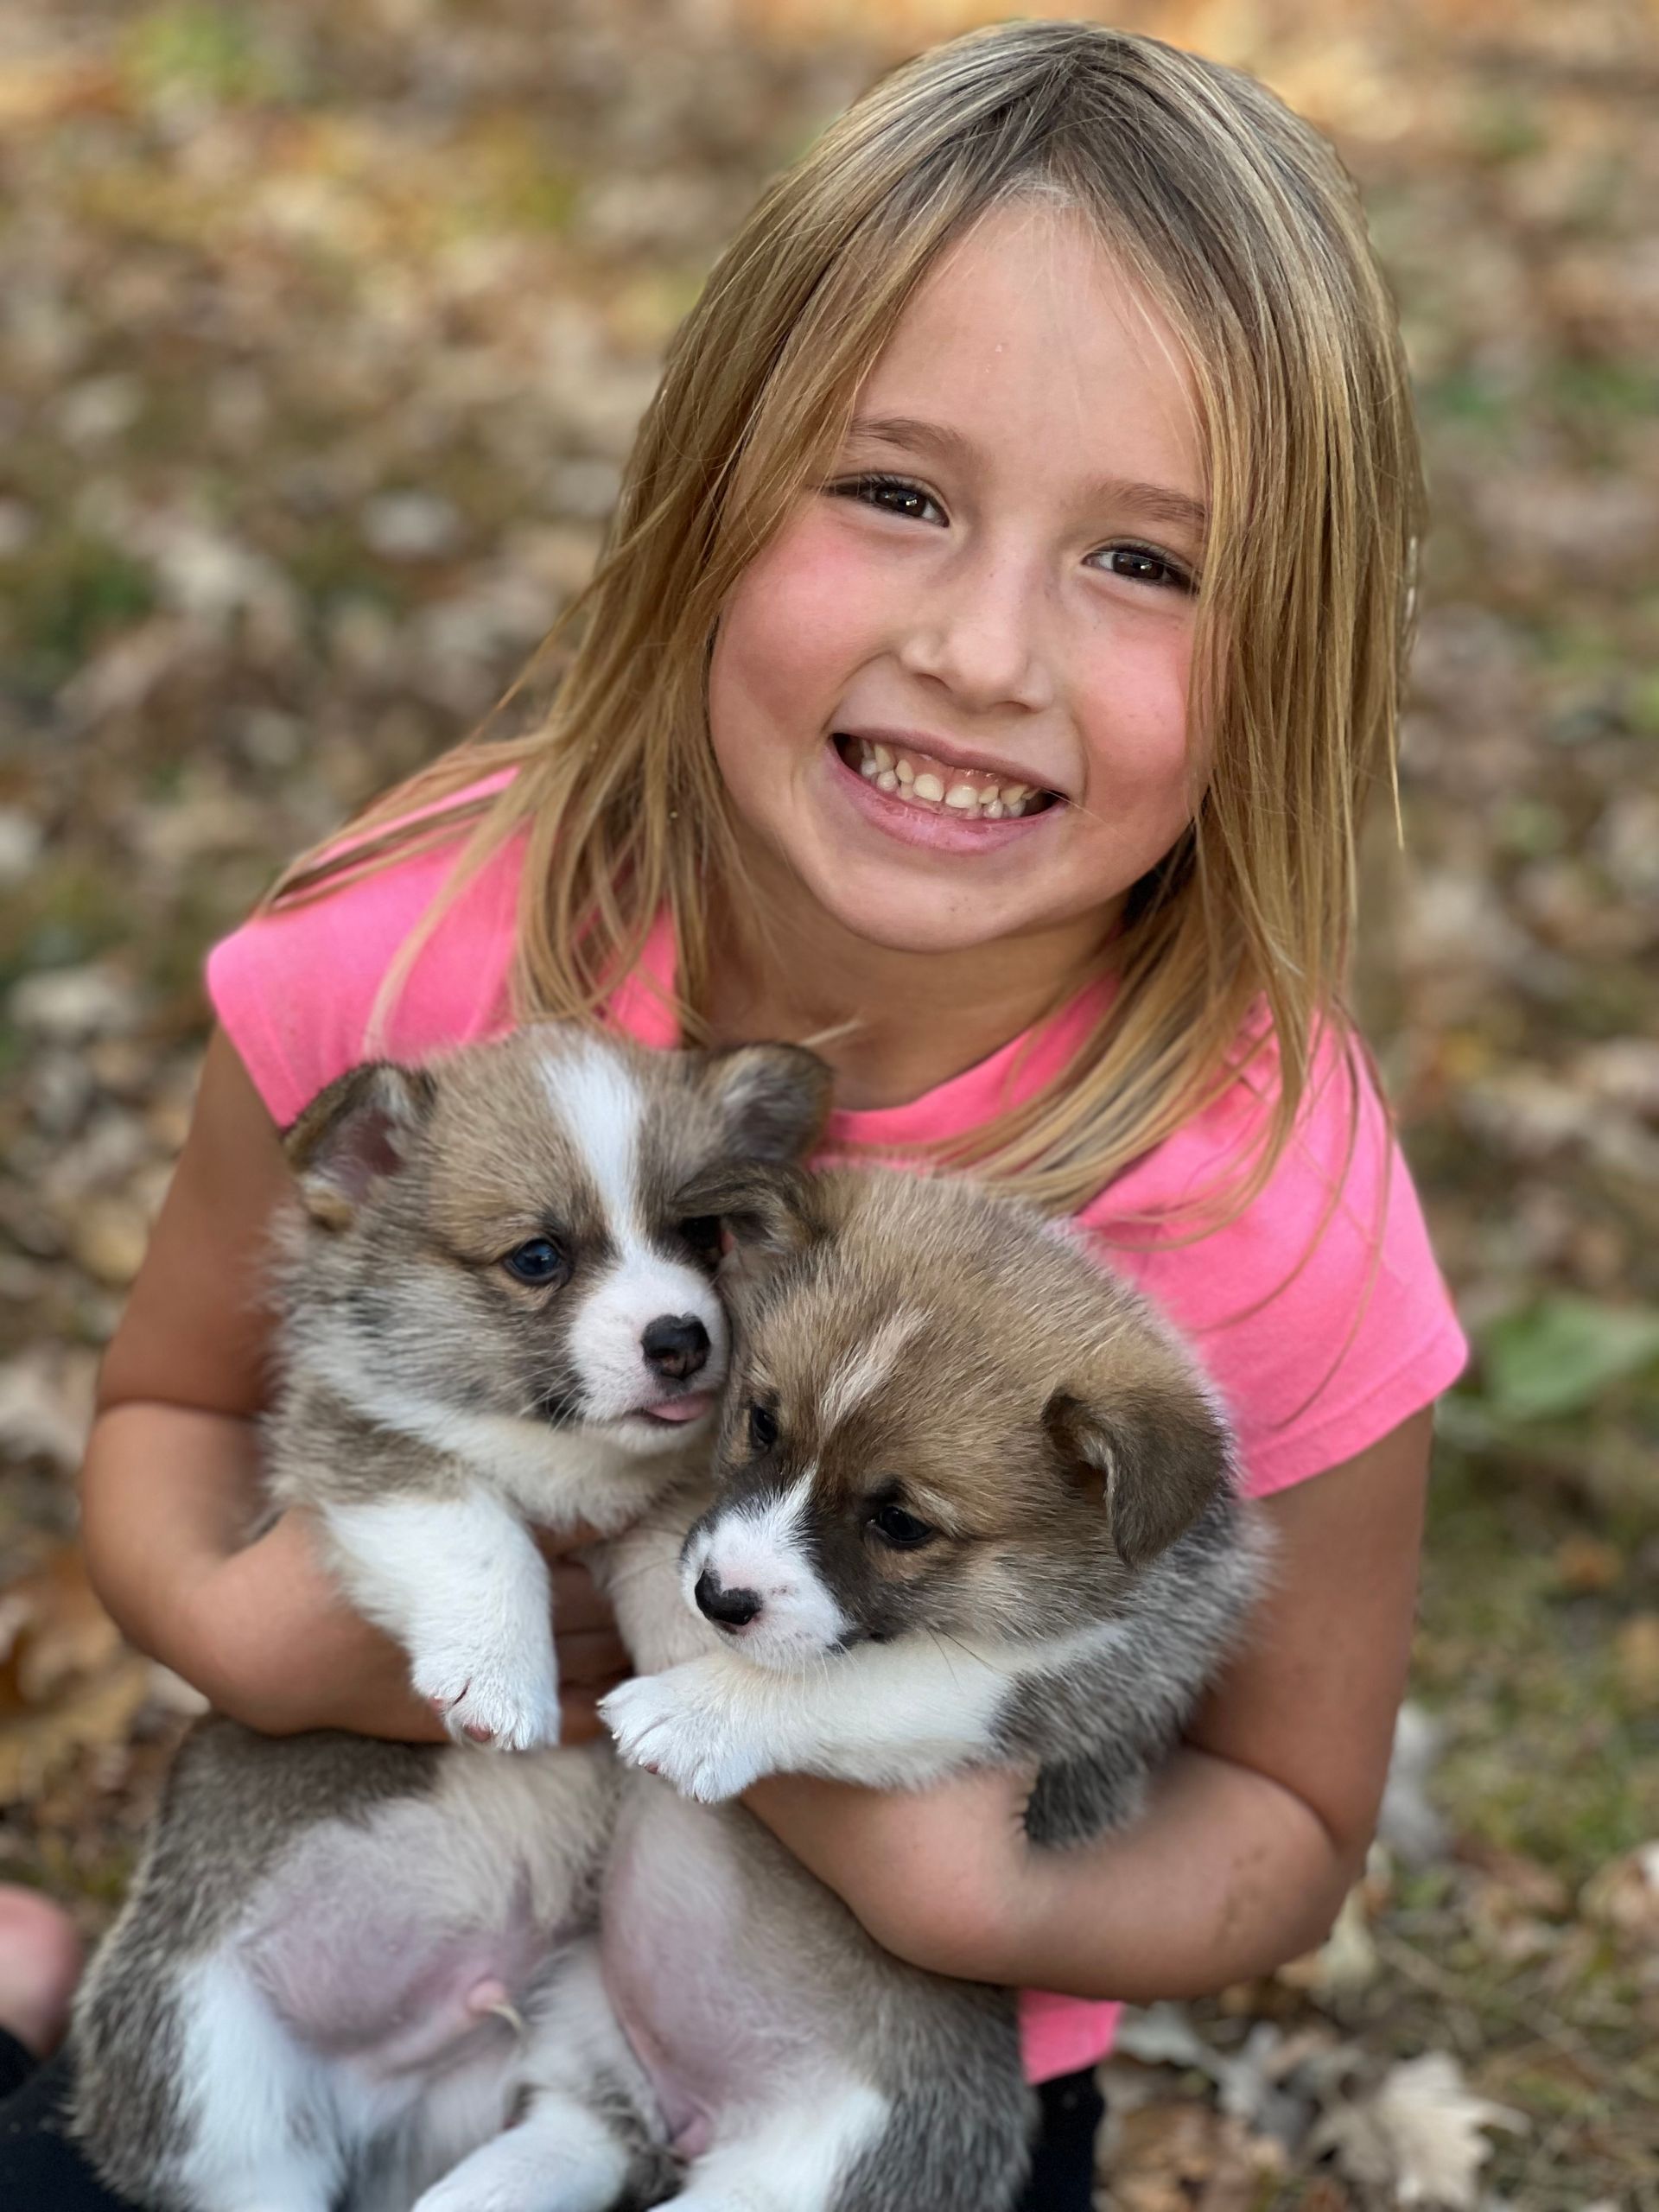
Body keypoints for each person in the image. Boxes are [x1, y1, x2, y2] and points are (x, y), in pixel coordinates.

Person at [0, 21, 1466, 2208]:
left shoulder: (1277, 1200)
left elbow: (1288, 1815)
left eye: (1145, 561)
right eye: (895, 492)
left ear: (1300, 658)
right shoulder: (406, 961)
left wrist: (1000, 1915)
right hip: (394, 1939)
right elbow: (169, 1421)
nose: (985, 647)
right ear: (699, 498)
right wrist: (240, 1630)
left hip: (836, 2058)